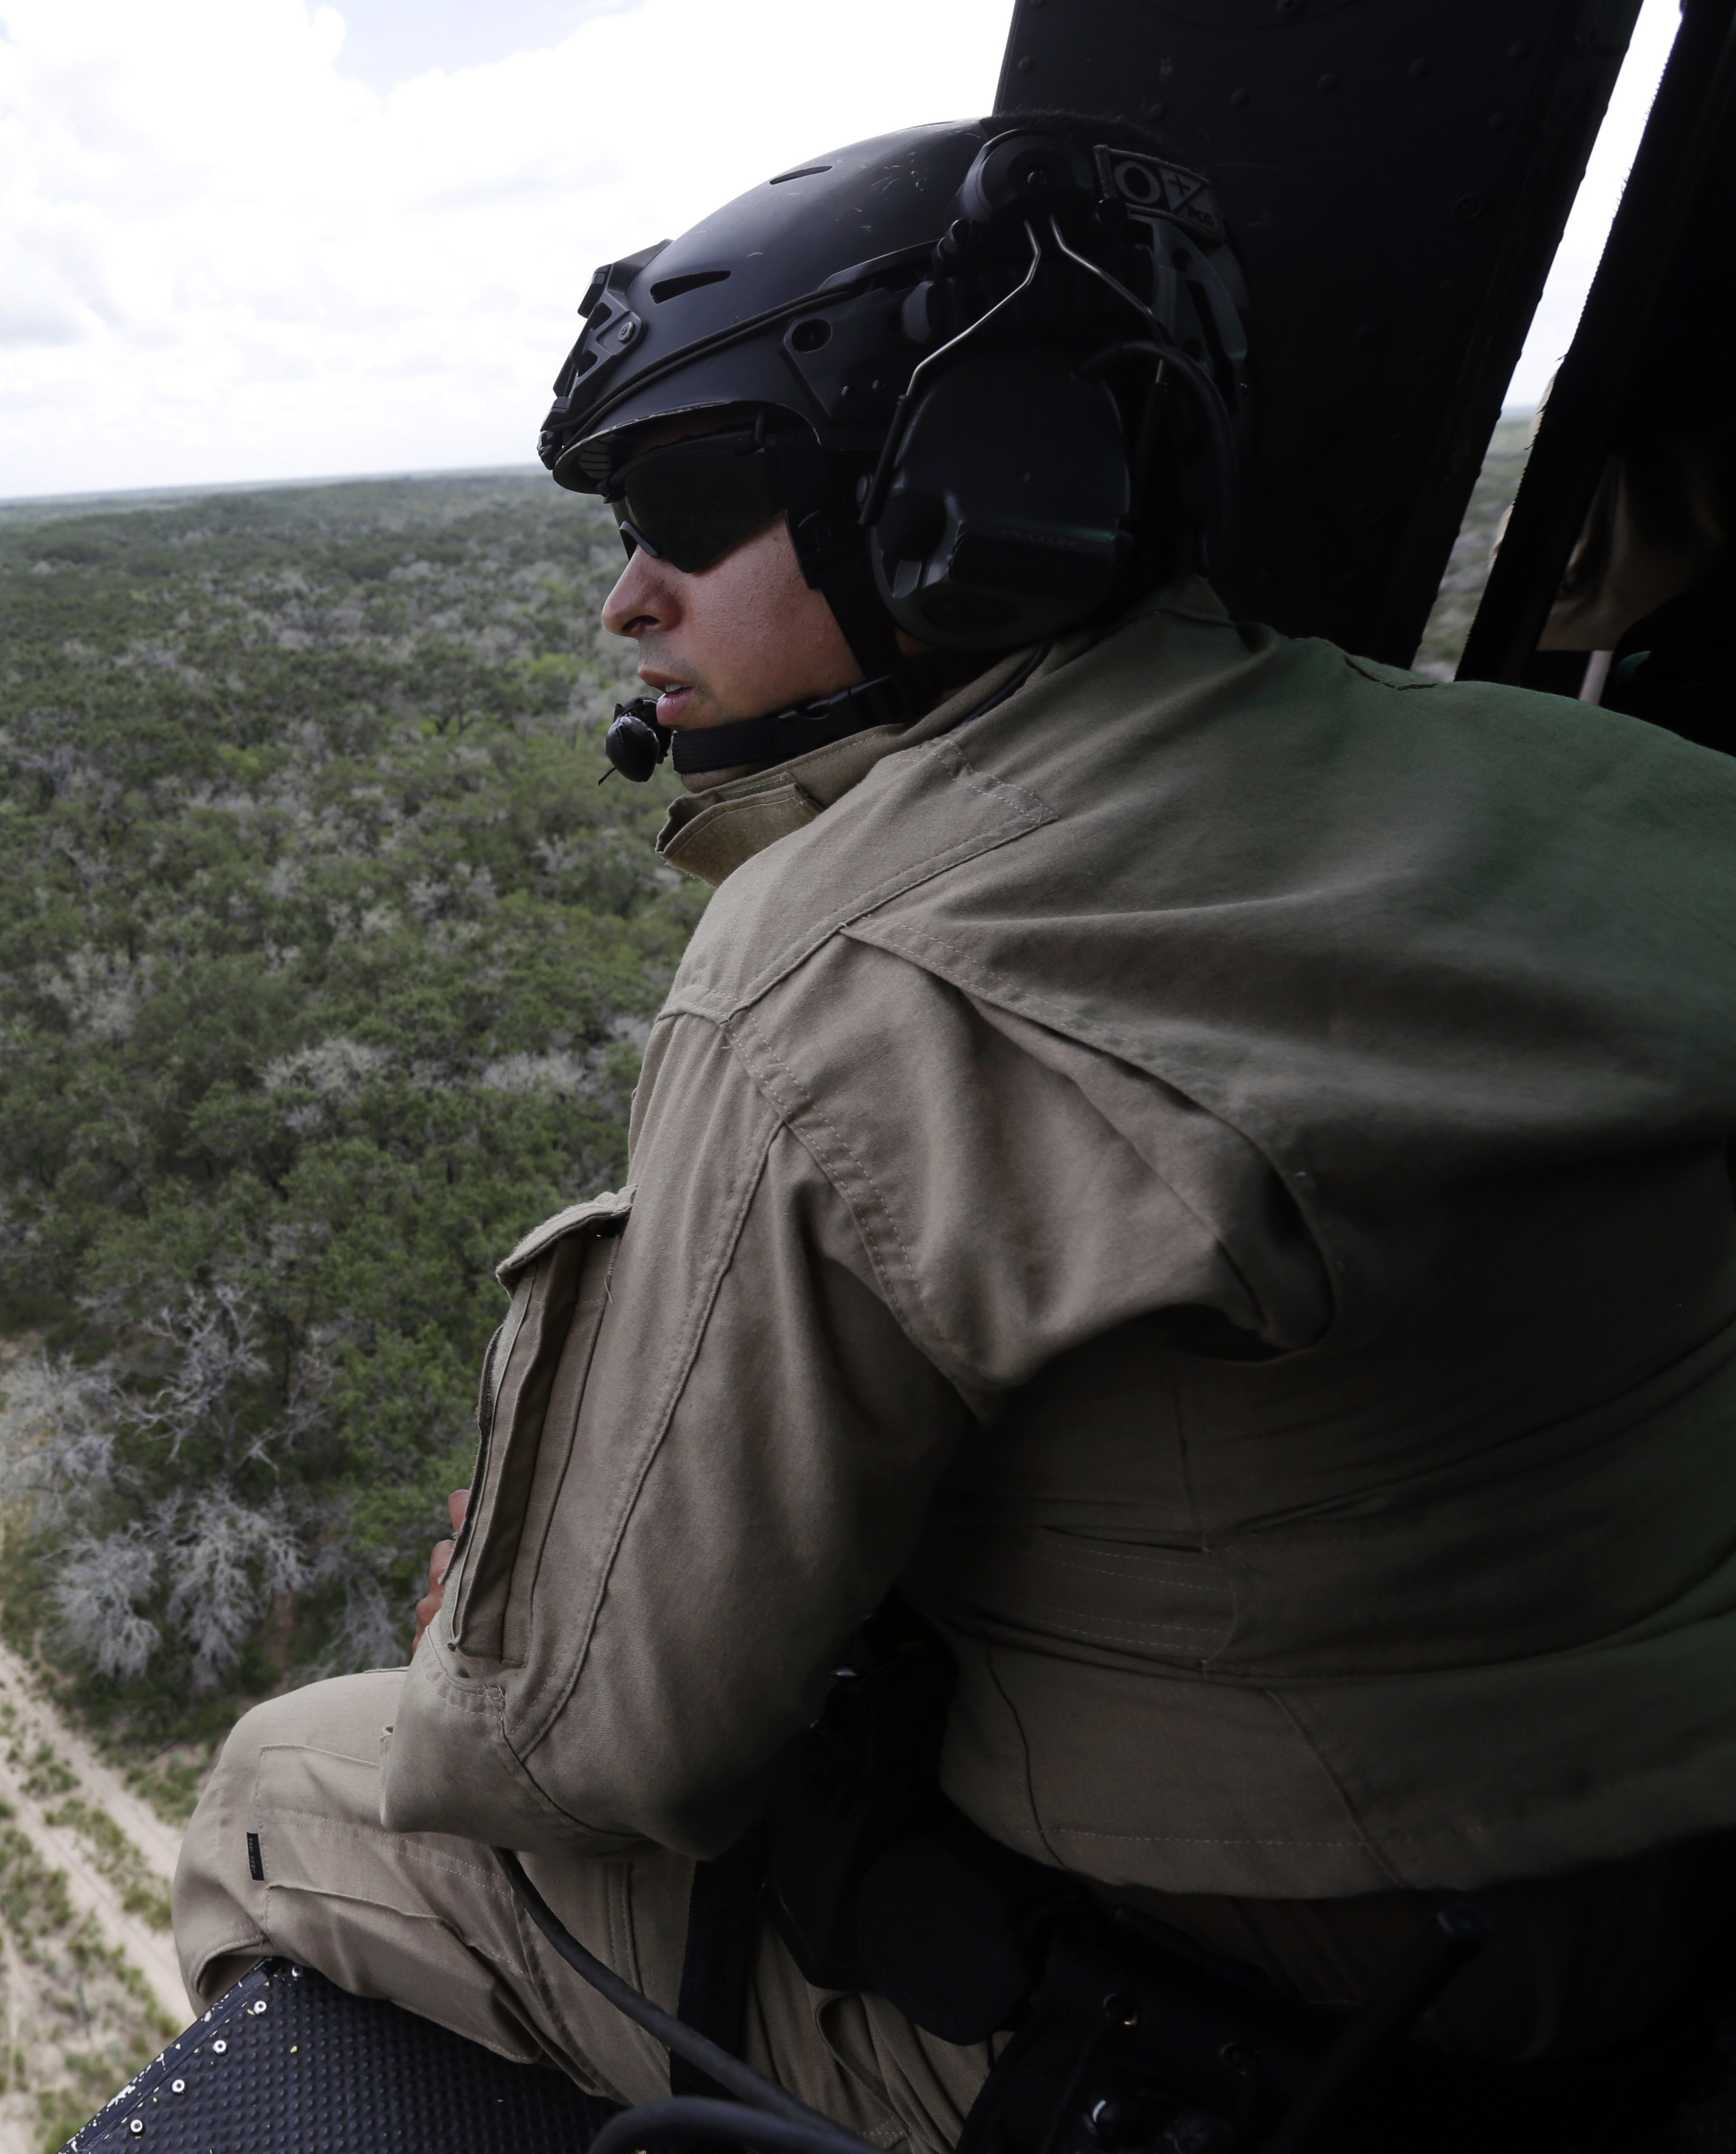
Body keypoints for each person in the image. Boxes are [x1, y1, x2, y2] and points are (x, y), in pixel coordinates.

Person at [169, 114, 1736, 2154]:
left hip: (1268, 2031)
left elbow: (601, 1738)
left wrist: (495, 1623)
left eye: (687, 497)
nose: (630, 594)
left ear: (956, 505)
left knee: (290, 1788)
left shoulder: (851, 964)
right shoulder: (1620, 787)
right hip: (1653, 1907)